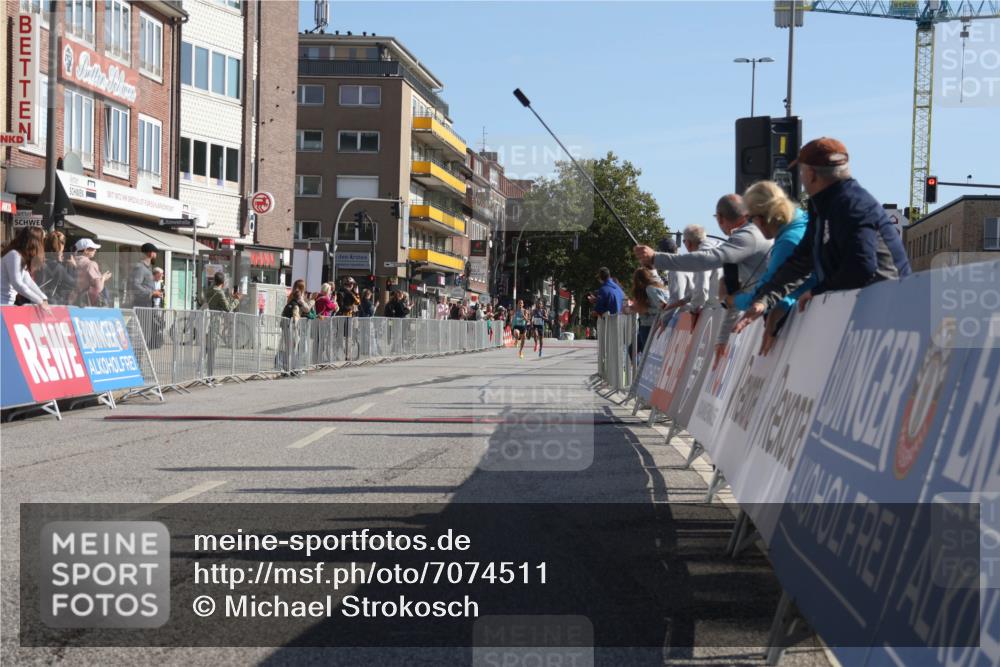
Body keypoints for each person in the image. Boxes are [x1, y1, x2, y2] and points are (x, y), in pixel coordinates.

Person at [735, 137, 912, 333]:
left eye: (801, 171)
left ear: (811, 174)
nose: (801, 179)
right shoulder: (823, 206)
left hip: (888, 315)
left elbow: (862, 267)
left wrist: (818, 291)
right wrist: (764, 299)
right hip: (869, 312)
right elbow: (801, 260)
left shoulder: (853, 205)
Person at [634, 194, 771, 366]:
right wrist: (722, 337)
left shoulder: (746, 237)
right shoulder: (746, 236)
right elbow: (733, 290)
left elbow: (703, 262)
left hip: (758, 313)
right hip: (757, 313)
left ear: (720, 218)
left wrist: (656, 258)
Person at [734, 180, 815, 354]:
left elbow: (770, 289)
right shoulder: (800, 217)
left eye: (749, 219)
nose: (750, 224)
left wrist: (730, 299)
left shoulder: (788, 241)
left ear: (761, 219)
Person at [1, 226, 49, 307]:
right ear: (35, 242)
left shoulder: (19, 255)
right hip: (2, 302)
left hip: (6, 303)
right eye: (42, 240)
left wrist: (43, 297)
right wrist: (39, 301)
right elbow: (17, 283)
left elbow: (28, 281)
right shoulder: (14, 255)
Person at [680, 225, 722, 311]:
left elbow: (702, 289)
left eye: (683, 241)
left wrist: (693, 308)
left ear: (688, 243)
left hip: (713, 313)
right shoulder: (721, 248)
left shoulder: (701, 257)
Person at [631, 268, 671, 353]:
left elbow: (663, 307)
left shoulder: (650, 289)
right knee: (634, 350)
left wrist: (647, 310)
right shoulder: (656, 287)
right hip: (652, 324)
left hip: (650, 326)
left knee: (647, 353)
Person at [37, 230, 76, 305]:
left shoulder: (39, 261)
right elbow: (74, 283)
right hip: (49, 303)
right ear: (60, 245)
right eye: (63, 242)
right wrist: (74, 266)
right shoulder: (57, 267)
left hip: (34, 300)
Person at [71, 239, 113, 307]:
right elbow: (98, 288)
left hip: (72, 302)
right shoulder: (91, 264)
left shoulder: (72, 262)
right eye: (93, 248)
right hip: (88, 305)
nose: (95, 250)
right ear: (86, 250)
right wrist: (103, 278)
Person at [657, 237, 693, 310]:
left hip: (685, 315)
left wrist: (664, 318)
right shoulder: (685, 264)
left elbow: (677, 301)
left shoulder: (675, 271)